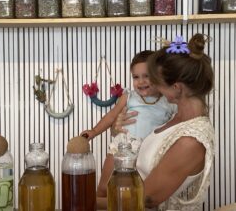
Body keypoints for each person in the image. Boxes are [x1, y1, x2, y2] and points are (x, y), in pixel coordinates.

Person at [104, 33, 215, 210]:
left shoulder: (190, 142)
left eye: (158, 83)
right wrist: (117, 130)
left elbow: (147, 198)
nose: (154, 87)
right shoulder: (174, 118)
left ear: (176, 88)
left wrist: (89, 201)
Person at [81, 50, 177, 198]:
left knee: (133, 193)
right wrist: (93, 131)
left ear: (159, 75)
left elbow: (177, 125)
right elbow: (111, 116)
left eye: (147, 76)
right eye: (136, 77)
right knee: (104, 188)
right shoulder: (130, 96)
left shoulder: (168, 101)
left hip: (149, 153)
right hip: (122, 146)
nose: (141, 81)